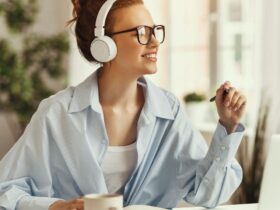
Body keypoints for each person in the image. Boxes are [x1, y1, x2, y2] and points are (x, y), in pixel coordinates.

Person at [0, 0, 247, 210]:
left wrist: (227, 125)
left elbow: (208, 195)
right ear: (104, 45)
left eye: (155, 30)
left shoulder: (169, 111)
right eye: (141, 32)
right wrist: (54, 206)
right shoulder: (57, 114)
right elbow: (5, 190)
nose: (154, 42)